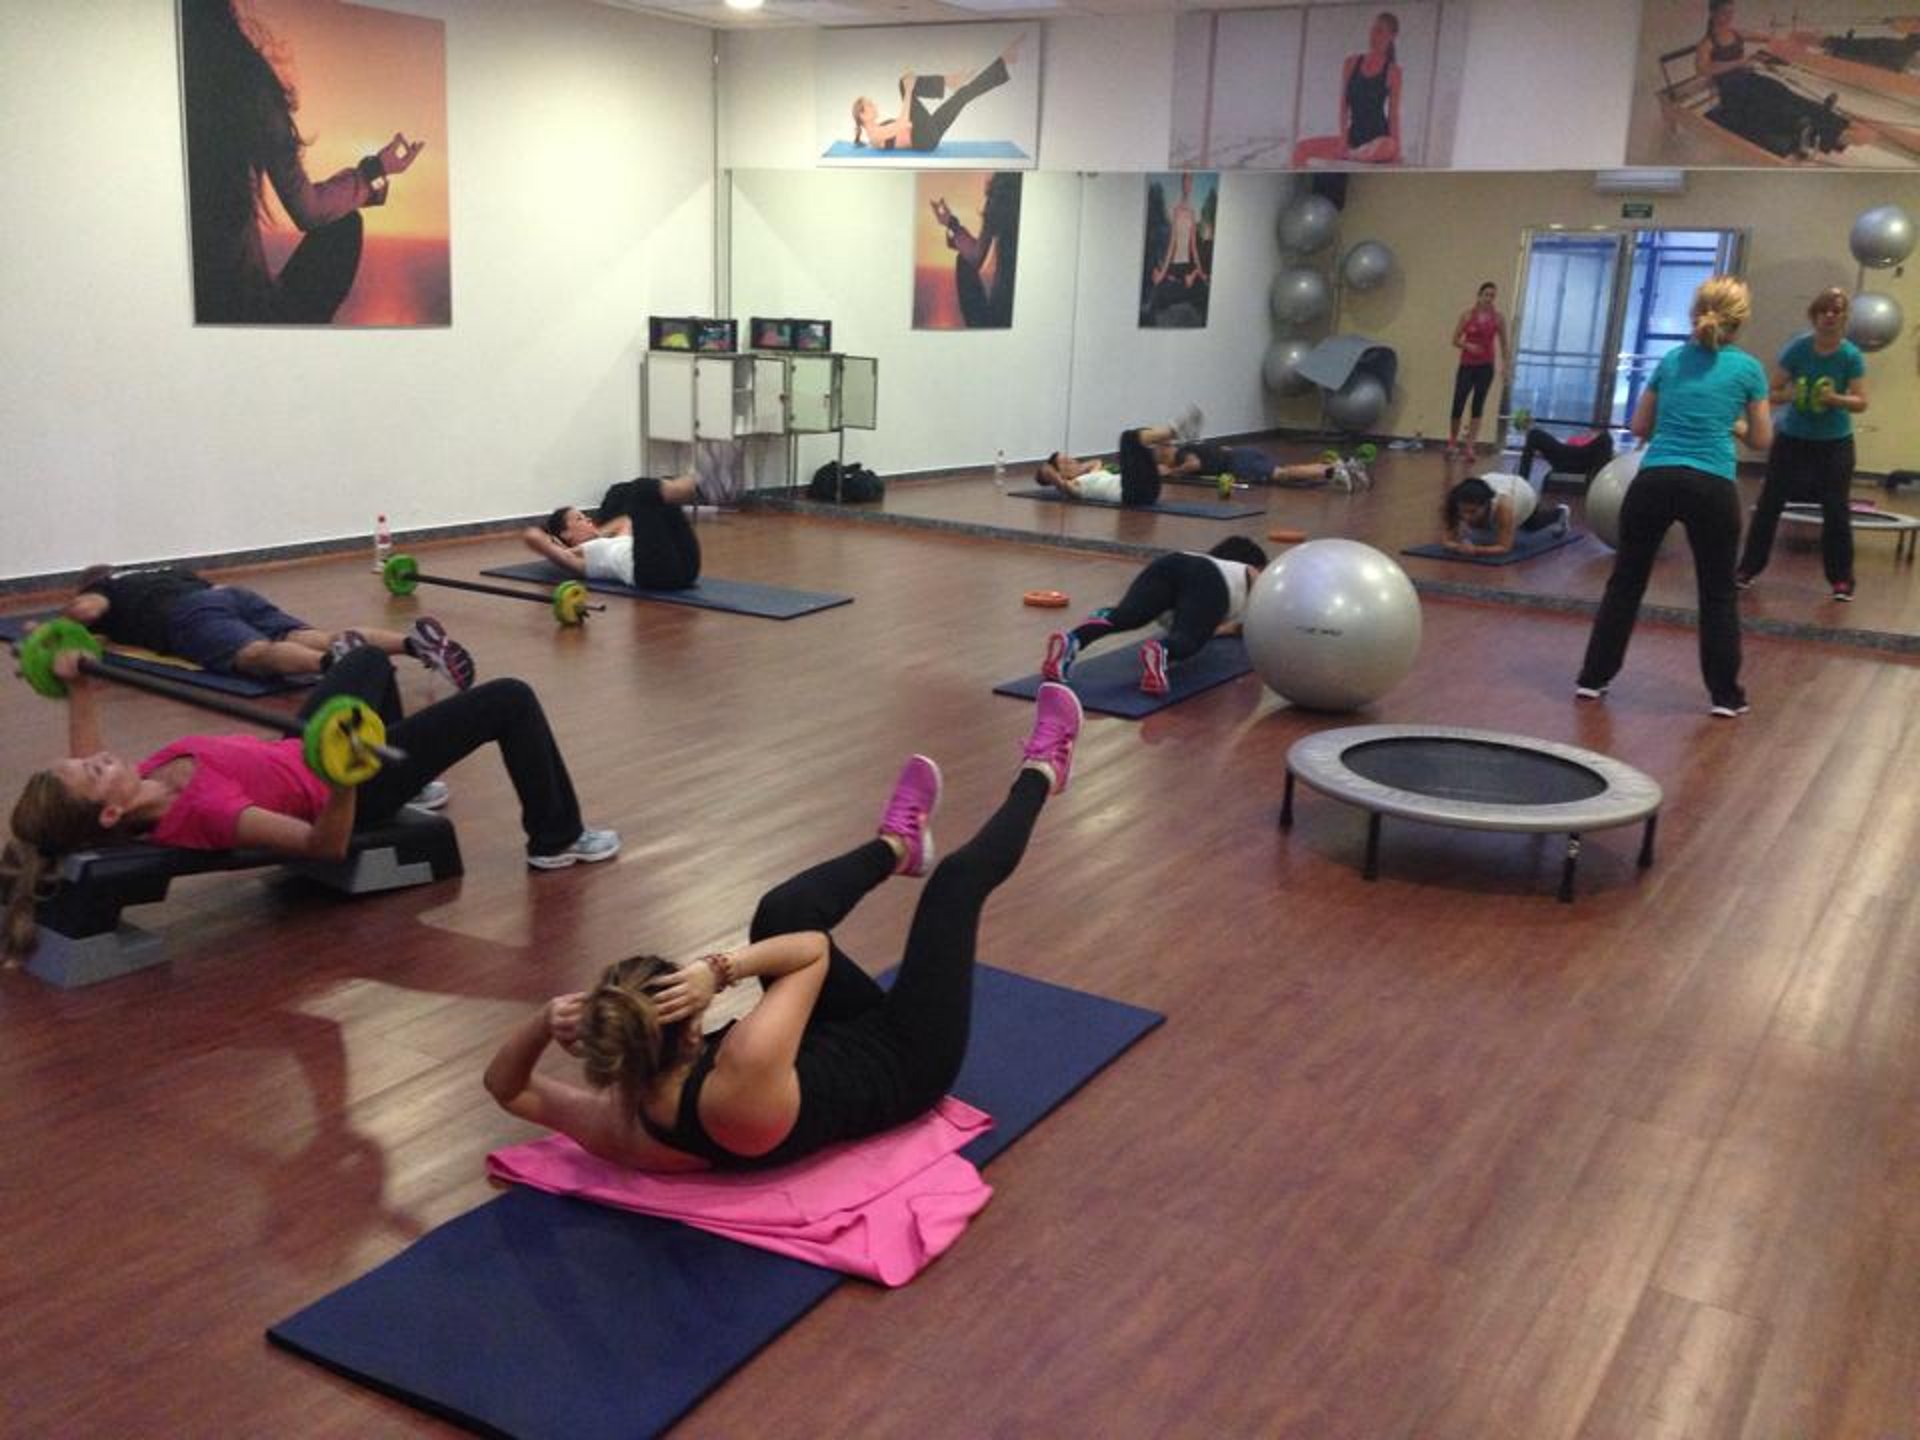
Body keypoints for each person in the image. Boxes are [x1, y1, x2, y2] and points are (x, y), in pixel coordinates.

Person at [481, 684, 1083, 1172]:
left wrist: (542, 1022)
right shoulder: (743, 1067)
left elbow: (506, 1088)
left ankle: (898, 846)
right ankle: (1042, 770)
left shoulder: (622, 1122)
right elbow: (810, 953)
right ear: (692, 1036)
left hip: (828, 1043)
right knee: (953, 888)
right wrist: (715, 971)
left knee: (778, 912)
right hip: (906, 1060)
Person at [0, 646, 620, 960]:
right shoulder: (210, 813)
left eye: (85, 759)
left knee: (367, 661)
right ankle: (555, 840)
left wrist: (79, 682)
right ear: (108, 813)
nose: (97, 757)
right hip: (342, 787)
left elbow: (84, 758)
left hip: (298, 747)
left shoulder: (131, 786)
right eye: (91, 771)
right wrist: (349, 773)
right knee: (509, 696)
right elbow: (325, 847)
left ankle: (417, 777)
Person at [1575, 276, 1773, 718]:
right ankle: (1725, 696)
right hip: (1712, 485)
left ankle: (1592, 679)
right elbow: (1761, 438)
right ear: (1741, 322)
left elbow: (1640, 427)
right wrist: (1734, 425)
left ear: (1694, 314)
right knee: (1718, 593)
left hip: (1655, 480)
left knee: (1625, 583)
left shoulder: (1671, 360)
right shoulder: (1749, 369)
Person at [181, 0, 425, 323]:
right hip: (248, 309)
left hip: (204, 307)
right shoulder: (247, 82)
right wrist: (375, 171)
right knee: (345, 226)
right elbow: (308, 210)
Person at [57, 564, 474, 687]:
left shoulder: (108, 589)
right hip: (230, 594)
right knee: (307, 635)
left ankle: (334, 664)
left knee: (254, 655)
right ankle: (414, 643)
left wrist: (59, 625)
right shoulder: (163, 572)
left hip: (188, 617)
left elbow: (87, 611)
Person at [1736, 287, 1870, 602]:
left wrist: (1834, 399)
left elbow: (1862, 401)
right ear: (1814, 316)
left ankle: (1841, 580)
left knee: (1836, 510)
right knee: (1769, 503)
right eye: (1824, 311)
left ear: (1844, 318)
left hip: (1834, 443)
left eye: (1836, 312)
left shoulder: (1850, 355)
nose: (1829, 317)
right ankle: (1747, 569)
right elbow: (1770, 392)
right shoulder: (1798, 350)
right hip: (1794, 439)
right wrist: (1791, 395)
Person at [1042, 537, 1268, 696]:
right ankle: (1161, 651)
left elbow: (1204, 624)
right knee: (1188, 642)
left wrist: (1225, 629)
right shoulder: (1249, 574)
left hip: (1171, 562)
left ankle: (1073, 639)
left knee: (1128, 616)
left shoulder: (1219, 576)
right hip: (1207, 579)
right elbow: (1200, 626)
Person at [523, 476, 702, 591]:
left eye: (586, 517)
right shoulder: (583, 559)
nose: (588, 521)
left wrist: (599, 533)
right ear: (566, 534)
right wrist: (552, 544)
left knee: (658, 496)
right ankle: (698, 483)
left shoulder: (614, 541)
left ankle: (693, 484)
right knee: (641, 489)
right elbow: (536, 539)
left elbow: (625, 520)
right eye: (579, 519)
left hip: (686, 570)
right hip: (653, 575)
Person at [851, 36, 1023, 153]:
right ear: (862, 114)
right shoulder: (874, 136)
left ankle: (1002, 64)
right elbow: (904, 123)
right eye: (870, 105)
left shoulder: (877, 130)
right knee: (903, 84)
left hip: (927, 136)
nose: (875, 105)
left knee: (961, 96)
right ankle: (949, 81)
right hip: (923, 139)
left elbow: (905, 125)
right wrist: (910, 91)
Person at [1290, 12, 1404, 167]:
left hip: (1378, 140)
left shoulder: (1393, 71)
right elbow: (1343, 106)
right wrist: (1343, 139)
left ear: (1391, 36)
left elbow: (1393, 116)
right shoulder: (1351, 63)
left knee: (1389, 146)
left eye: (1379, 31)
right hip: (1352, 137)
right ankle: (1352, 154)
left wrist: (1397, 150)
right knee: (1301, 148)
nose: (1373, 35)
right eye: (1372, 30)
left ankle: (1353, 155)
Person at [930, 173, 1022, 329]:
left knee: (963, 261)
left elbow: (975, 256)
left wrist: (951, 223)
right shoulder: (1017, 189)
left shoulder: (1000, 191)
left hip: (997, 317)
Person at [1447, 282, 1510, 458]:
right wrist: (1468, 346)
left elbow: (1504, 344)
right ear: (1479, 295)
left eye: (1492, 295)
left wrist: (1506, 367)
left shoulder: (1498, 318)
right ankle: (1452, 441)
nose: (1489, 298)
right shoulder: (1467, 315)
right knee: (1458, 401)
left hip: (1485, 366)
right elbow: (1455, 339)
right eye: (1486, 294)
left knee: (1478, 405)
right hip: (1467, 365)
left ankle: (1470, 446)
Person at [1439, 474, 1570, 557]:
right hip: (1494, 481)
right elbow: (1446, 540)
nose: (1466, 517)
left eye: (1472, 511)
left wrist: (1475, 550)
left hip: (1522, 490)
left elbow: (1504, 547)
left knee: (1530, 526)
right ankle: (1487, 522)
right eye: (1463, 511)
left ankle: (1559, 513)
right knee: (1482, 531)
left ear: (1486, 505)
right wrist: (1458, 547)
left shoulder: (1504, 507)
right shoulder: (1452, 502)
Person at [1143, 173, 1210, 324]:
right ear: (1182, 184)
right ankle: (1150, 307)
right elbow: (1172, 242)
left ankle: (1192, 275)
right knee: (1160, 284)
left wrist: (1200, 270)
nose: (1187, 185)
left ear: (1191, 186)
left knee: (1198, 287)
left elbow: (1193, 246)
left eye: (1190, 182)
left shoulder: (1192, 213)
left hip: (1187, 264)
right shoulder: (1176, 210)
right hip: (1175, 263)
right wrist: (1163, 272)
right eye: (1185, 181)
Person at [1514, 426, 1615, 489]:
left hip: (1568, 458)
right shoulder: (1603, 444)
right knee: (1534, 434)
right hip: (1570, 456)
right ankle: (1522, 480)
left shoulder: (1603, 443)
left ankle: (1522, 480)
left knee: (1534, 434)